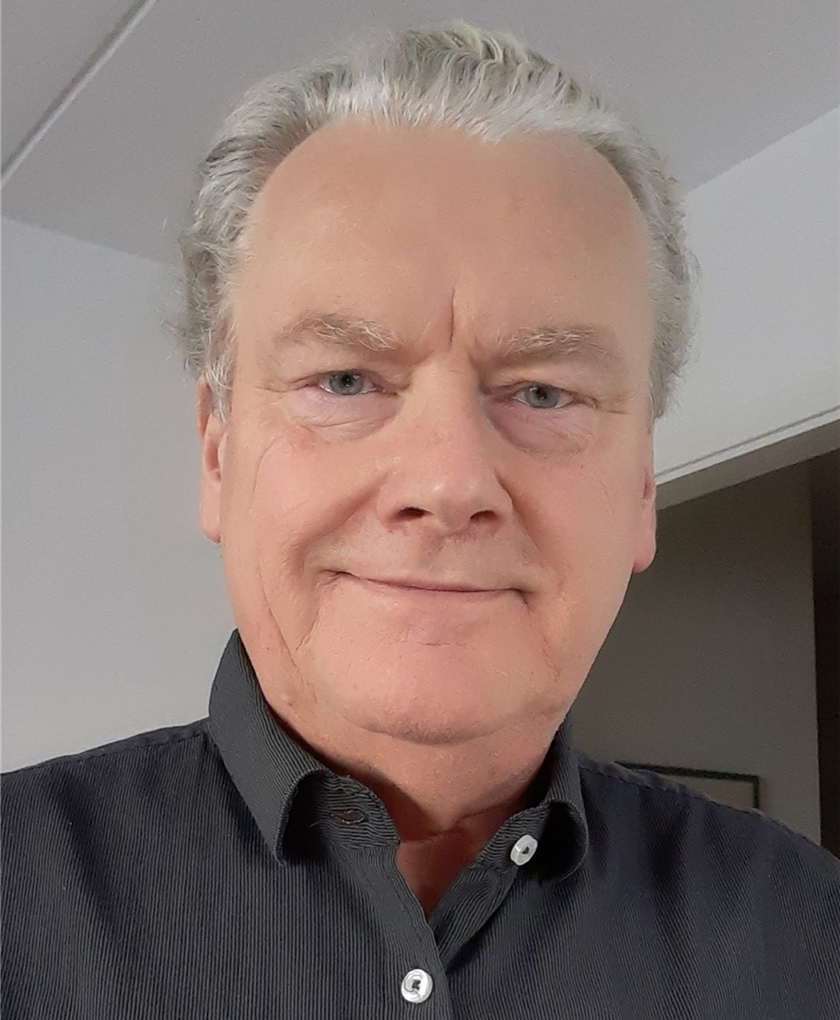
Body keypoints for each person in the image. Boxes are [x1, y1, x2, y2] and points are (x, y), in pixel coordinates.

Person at [2, 18, 838, 1019]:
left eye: (543, 392)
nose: (449, 482)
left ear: (643, 489)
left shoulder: (812, 932)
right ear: (218, 452)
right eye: (344, 380)